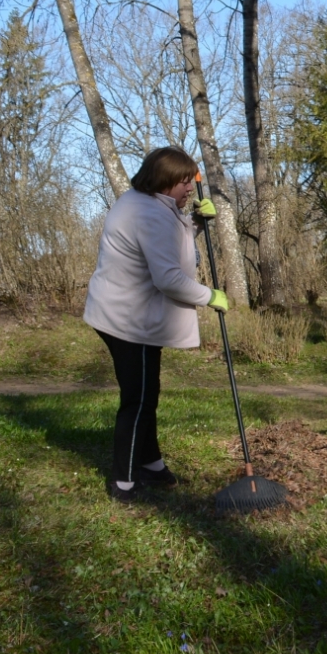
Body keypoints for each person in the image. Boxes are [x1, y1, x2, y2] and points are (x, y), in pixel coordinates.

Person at [83, 146, 229, 501]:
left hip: (124, 312)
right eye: (184, 182)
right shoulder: (149, 214)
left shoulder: (144, 203)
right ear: (165, 181)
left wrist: (195, 223)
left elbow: (166, 247)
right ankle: (123, 481)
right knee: (138, 399)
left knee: (147, 394)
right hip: (128, 319)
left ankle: (150, 463)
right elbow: (167, 276)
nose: (190, 189)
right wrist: (209, 296)